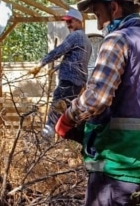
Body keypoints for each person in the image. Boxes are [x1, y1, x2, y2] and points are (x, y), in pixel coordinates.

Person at [53, 0, 140, 206]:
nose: (98, 23)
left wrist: (67, 119)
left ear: (115, 8)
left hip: (117, 169)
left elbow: (96, 99)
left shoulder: (118, 39)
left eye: (99, 14)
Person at [28, 8, 92, 139]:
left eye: (70, 21)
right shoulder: (86, 40)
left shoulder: (75, 36)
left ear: (79, 21)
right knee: (68, 113)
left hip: (68, 81)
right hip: (78, 84)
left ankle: (45, 139)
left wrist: (41, 64)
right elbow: (76, 61)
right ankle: (72, 138)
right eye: (66, 22)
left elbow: (59, 51)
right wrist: (58, 67)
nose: (68, 25)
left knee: (56, 107)